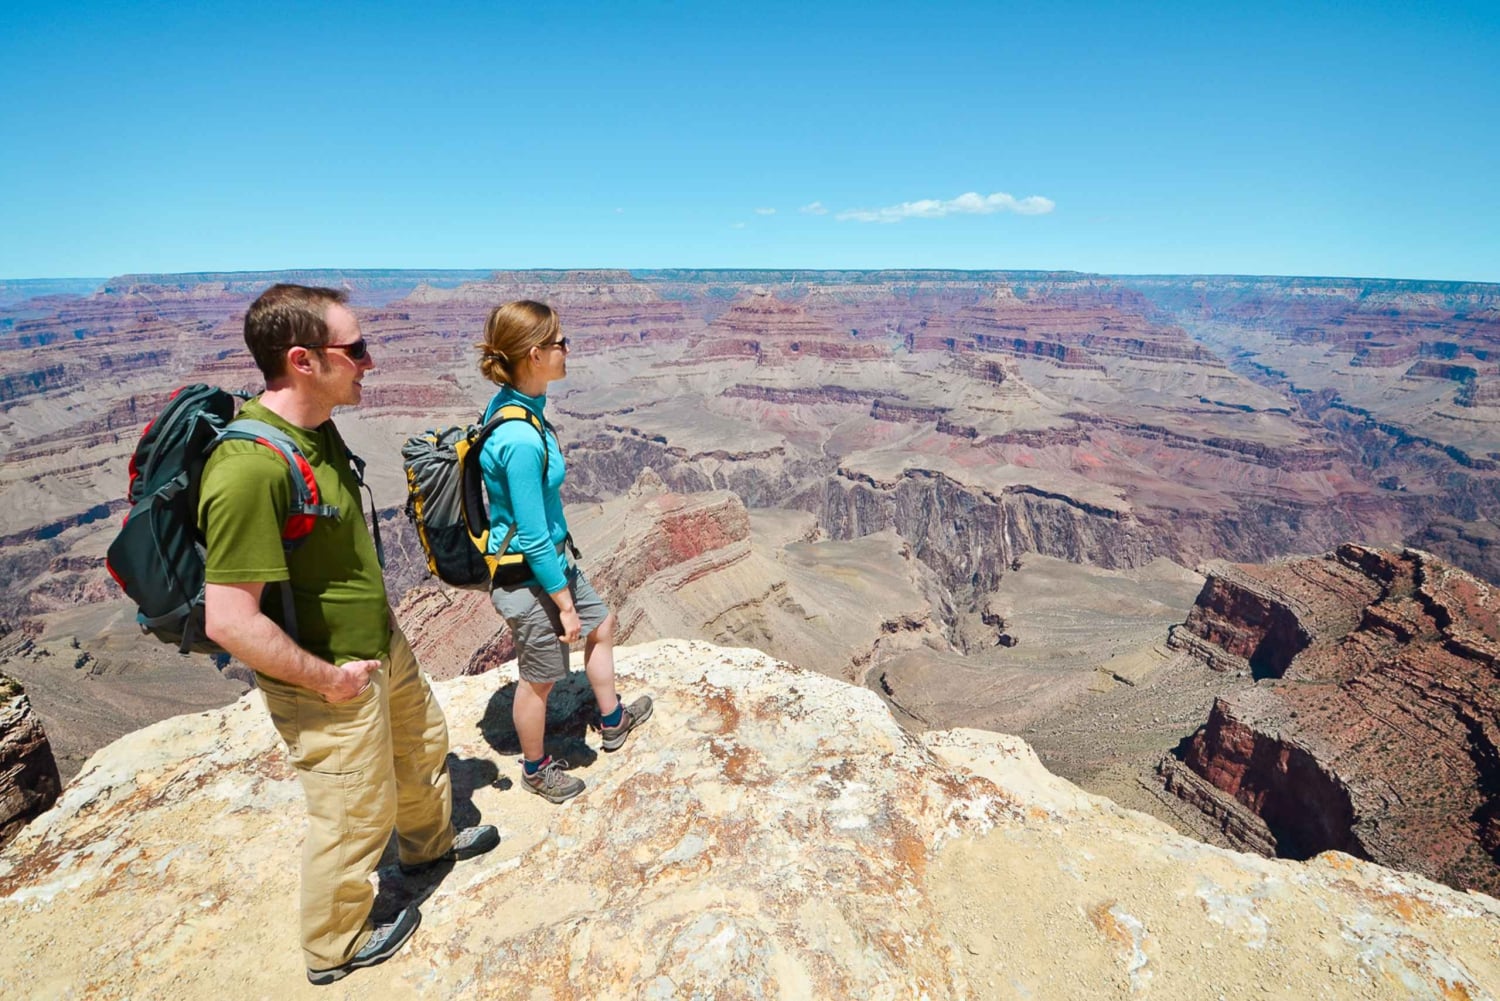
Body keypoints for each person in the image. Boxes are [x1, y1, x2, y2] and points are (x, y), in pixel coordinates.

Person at [199, 284, 499, 986]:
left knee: (421, 745)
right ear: (302, 360)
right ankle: (334, 943)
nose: (371, 362)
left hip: (378, 643)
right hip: (327, 674)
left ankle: (430, 846)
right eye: (356, 349)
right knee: (352, 812)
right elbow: (229, 619)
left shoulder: (318, 427)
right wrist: (328, 680)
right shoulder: (248, 470)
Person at [476, 300, 652, 803]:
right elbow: (531, 534)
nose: (567, 350)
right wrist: (564, 604)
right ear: (535, 354)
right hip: (528, 575)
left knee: (603, 625)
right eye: (560, 343)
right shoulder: (519, 438)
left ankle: (612, 719)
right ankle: (536, 769)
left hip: (553, 564)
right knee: (540, 679)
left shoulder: (522, 405)